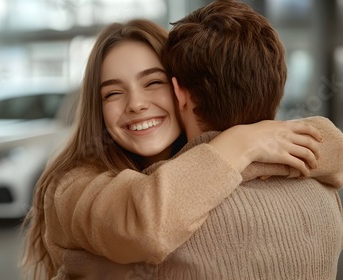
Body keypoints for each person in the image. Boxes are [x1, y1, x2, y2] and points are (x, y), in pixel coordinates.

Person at [20, 16, 342, 280]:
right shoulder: (72, 187)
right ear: (97, 108)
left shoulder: (253, 142)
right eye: (112, 94)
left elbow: (331, 146)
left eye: (152, 83)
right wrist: (237, 145)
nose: (136, 104)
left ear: (182, 88)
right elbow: (141, 224)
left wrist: (247, 142)